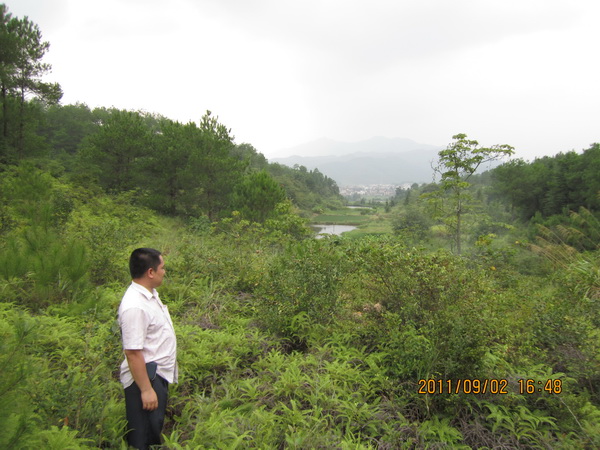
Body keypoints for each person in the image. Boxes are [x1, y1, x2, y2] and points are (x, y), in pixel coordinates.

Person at [118, 248, 178, 449]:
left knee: (152, 431)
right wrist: (146, 390)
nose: (164, 272)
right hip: (145, 379)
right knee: (142, 437)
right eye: (162, 267)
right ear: (150, 272)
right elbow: (133, 352)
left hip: (154, 375)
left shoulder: (149, 295)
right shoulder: (135, 306)